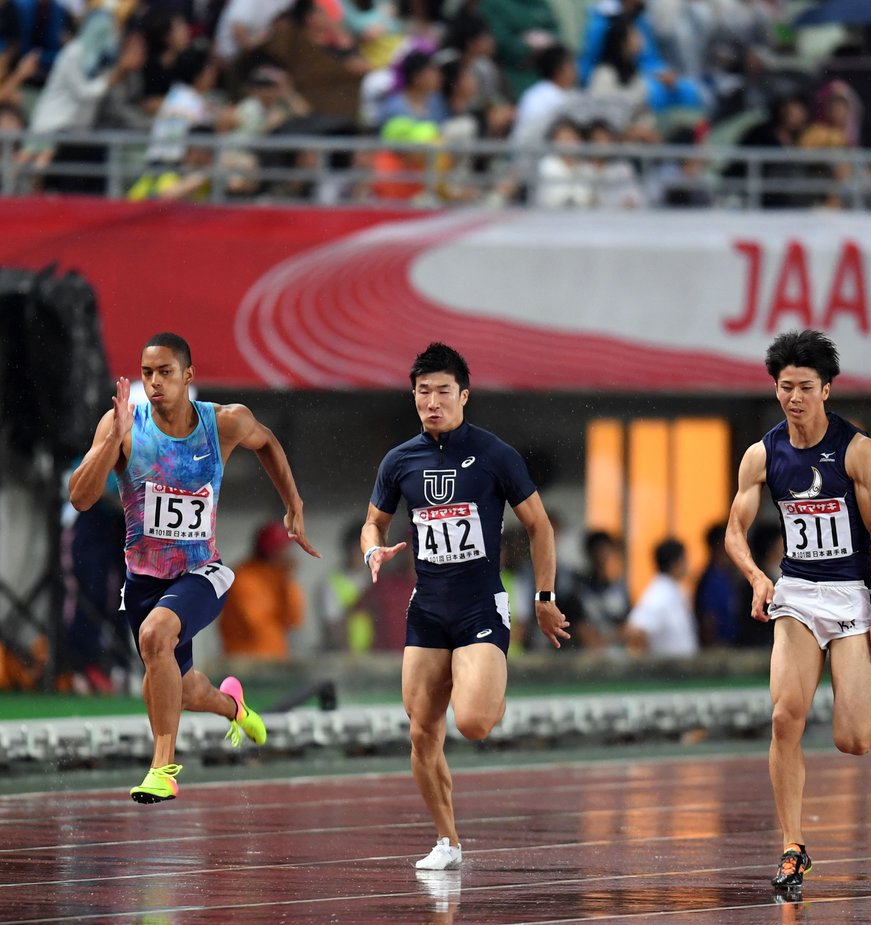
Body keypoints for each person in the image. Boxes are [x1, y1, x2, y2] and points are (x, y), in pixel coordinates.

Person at [68, 332, 320, 804]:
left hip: (202, 572)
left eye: (165, 372)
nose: (155, 382)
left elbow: (267, 444)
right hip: (143, 580)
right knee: (182, 690)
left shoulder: (224, 423)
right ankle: (231, 705)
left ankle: (162, 769)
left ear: (188, 376)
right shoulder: (123, 424)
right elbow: (80, 498)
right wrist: (110, 442)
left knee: (154, 637)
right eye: (147, 374)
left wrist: (294, 504)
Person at [362, 342, 570, 871]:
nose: (433, 402)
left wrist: (544, 598)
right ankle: (447, 841)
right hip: (427, 608)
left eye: (443, 392)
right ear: (413, 397)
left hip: (480, 605)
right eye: (424, 393)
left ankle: (489, 686)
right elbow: (374, 522)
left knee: (474, 723)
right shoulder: (399, 461)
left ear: (464, 395)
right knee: (421, 728)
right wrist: (372, 546)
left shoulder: (495, 454)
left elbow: (540, 525)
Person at [723, 329, 871, 893]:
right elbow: (735, 530)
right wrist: (758, 578)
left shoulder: (857, 450)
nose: (795, 398)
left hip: (852, 597)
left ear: (827, 389)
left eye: (806, 387)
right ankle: (792, 847)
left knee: (853, 741)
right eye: (785, 388)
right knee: (785, 716)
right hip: (797, 594)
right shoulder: (763, 454)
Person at [219, 520, 306, 659]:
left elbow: (294, 619)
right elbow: (256, 625)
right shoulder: (244, 577)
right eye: (283, 549)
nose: (289, 554)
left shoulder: (280, 578)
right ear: (271, 552)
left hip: (274, 658)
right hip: (245, 661)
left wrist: (287, 580)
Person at [625, 538, 698, 657]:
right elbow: (635, 631)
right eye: (684, 560)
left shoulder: (676, 590)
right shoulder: (658, 594)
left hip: (684, 670)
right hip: (666, 671)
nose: (687, 564)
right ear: (674, 564)